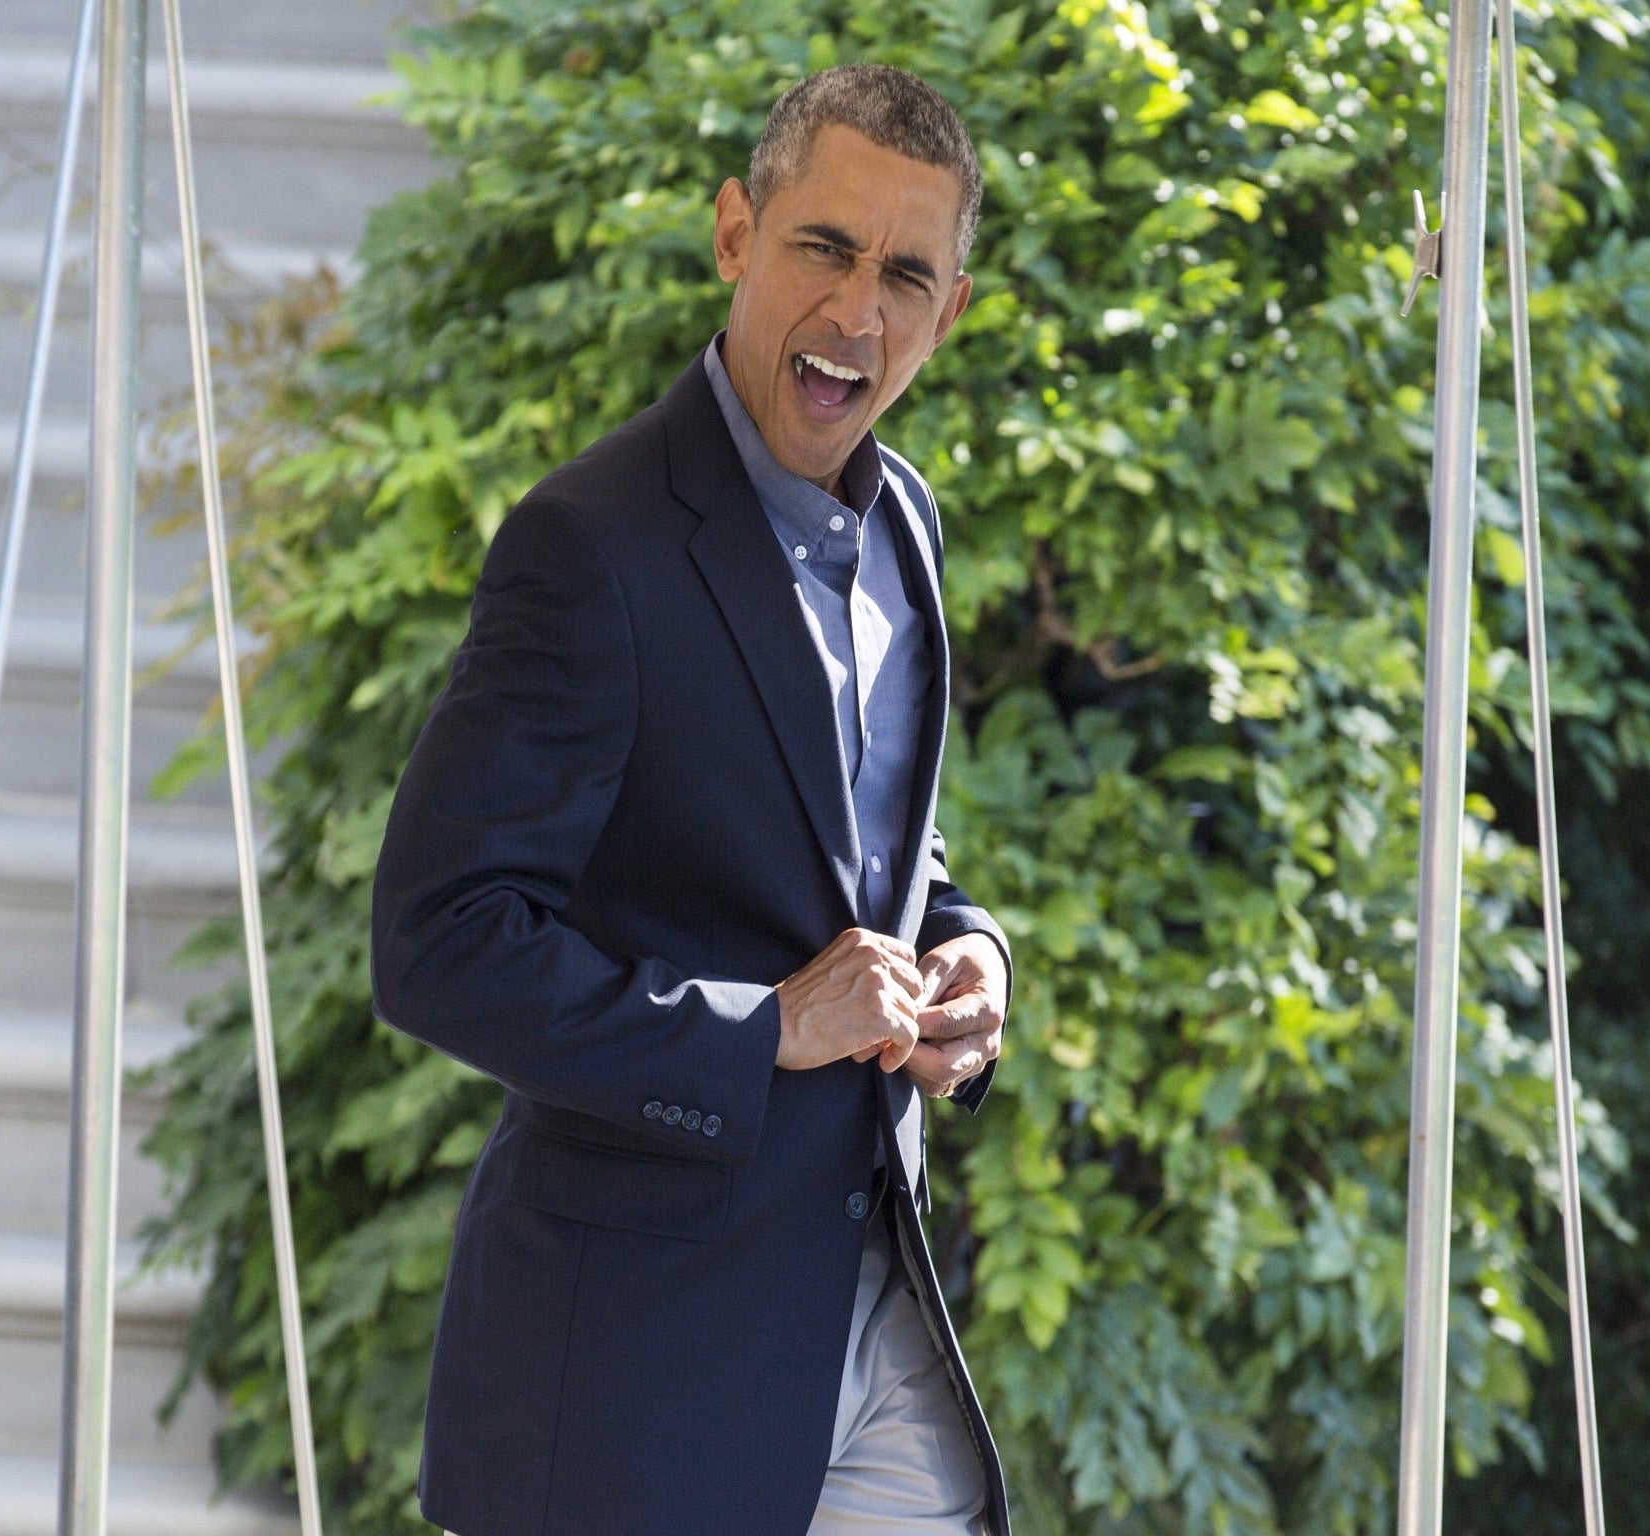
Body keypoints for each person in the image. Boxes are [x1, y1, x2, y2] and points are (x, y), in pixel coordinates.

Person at [370, 61, 1012, 1536]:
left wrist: (969, 957)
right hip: (632, 1378)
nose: (858, 309)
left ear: (950, 311)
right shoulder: (585, 547)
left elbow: (845, 846)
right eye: (824, 247)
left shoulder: (905, 520)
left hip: (873, 1329)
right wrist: (771, 1028)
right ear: (736, 234)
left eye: (906, 274)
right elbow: (438, 939)